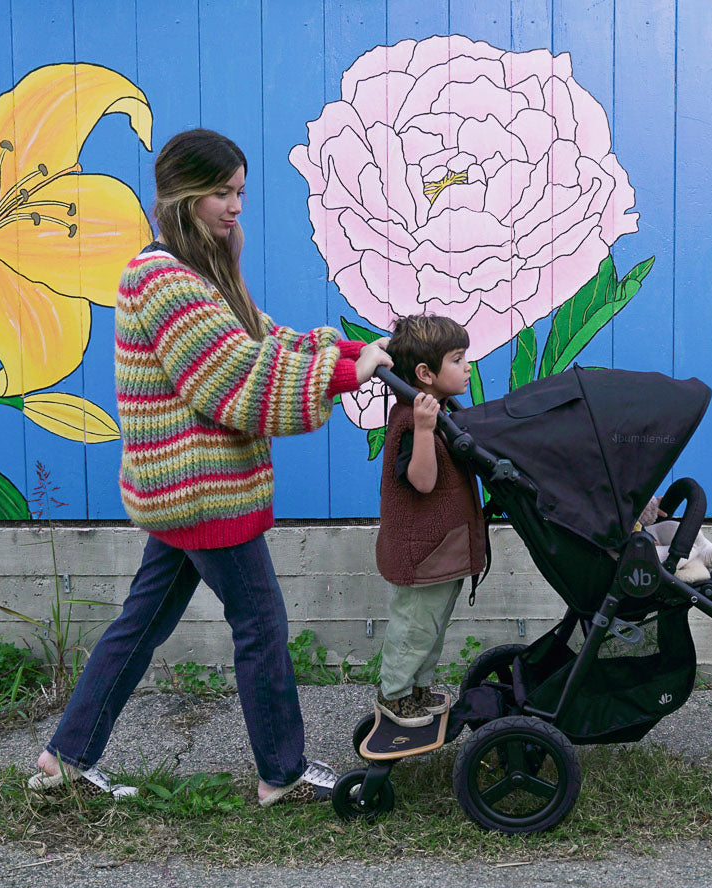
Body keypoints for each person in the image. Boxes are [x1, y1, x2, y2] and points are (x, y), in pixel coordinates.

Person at [27, 129, 391, 806]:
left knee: (142, 623)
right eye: (222, 193)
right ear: (184, 195)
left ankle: (64, 759)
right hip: (201, 493)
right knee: (262, 626)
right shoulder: (161, 277)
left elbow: (263, 337)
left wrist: (348, 353)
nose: (234, 207)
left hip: (187, 489)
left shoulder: (198, 272)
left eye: (240, 193)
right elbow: (234, 375)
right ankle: (280, 774)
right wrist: (343, 376)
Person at [374, 315, 485, 726]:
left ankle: (418, 690)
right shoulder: (411, 420)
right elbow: (422, 481)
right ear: (425, 374)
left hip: (442, 549)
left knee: (432, 629)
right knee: (414, 629)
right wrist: (423, 428)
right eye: (458, 359)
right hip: (422, 553)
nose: (467, 366)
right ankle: (395, 693)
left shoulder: (443, 408)